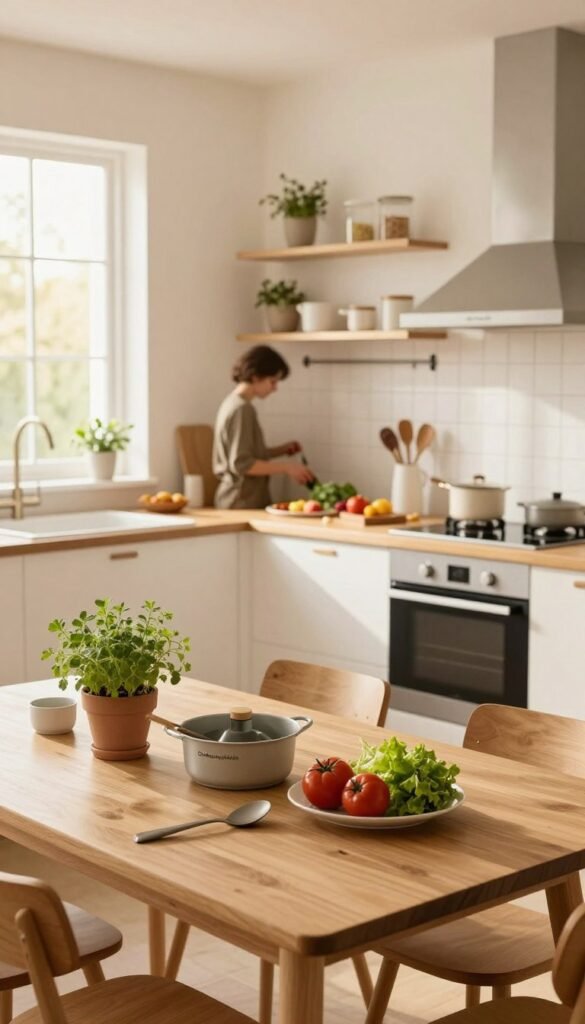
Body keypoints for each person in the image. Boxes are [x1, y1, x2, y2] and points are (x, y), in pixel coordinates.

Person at [213, 345, 315, 509]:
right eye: (272, 381)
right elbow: (242, 464)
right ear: (255, 377)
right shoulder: (242, 409)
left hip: (237, 500)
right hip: (241, 501)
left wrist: (281, 450)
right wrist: (287, 468)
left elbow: (247, 453)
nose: (275, 388)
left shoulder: (231, 402)